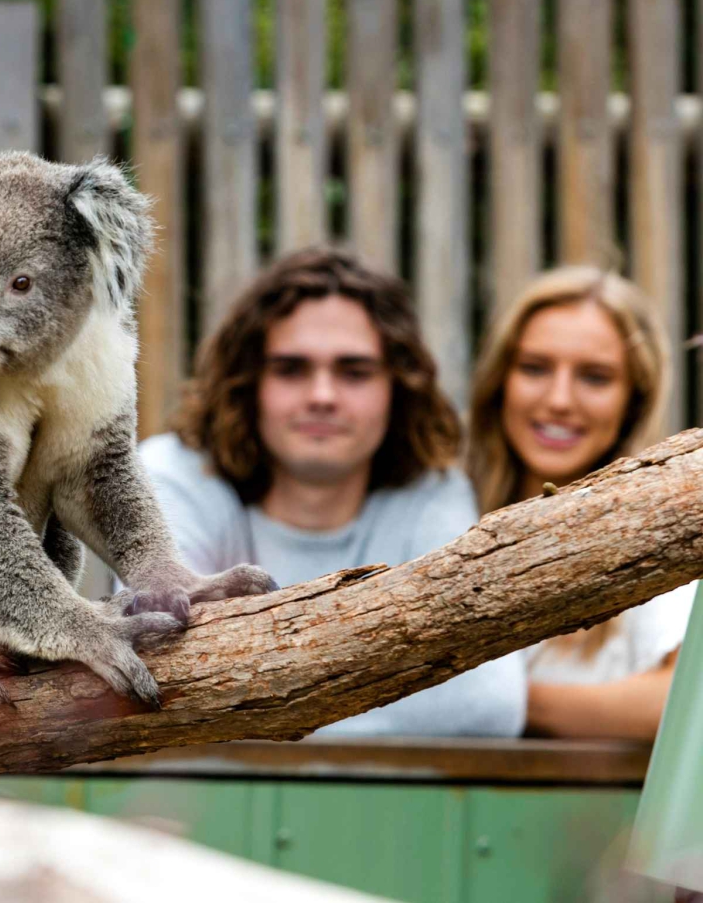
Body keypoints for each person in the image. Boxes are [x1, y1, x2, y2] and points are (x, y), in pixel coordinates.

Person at [140, 247, 526, 737]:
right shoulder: (176, 474)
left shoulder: (431, 493)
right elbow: (164, 672)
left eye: (354, 372)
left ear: (397, 387)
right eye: (292, 369)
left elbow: (486, 704)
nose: (322, 395)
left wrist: (253, 712)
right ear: (249, 381)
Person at [467, 265, 690, 740]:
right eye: (535, 368)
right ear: (500, 380)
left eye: (594, 377)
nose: (559, 399)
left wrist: (495, 702)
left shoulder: (660, 527)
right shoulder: (444, 509)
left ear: (634, 398)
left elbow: (683, 700)